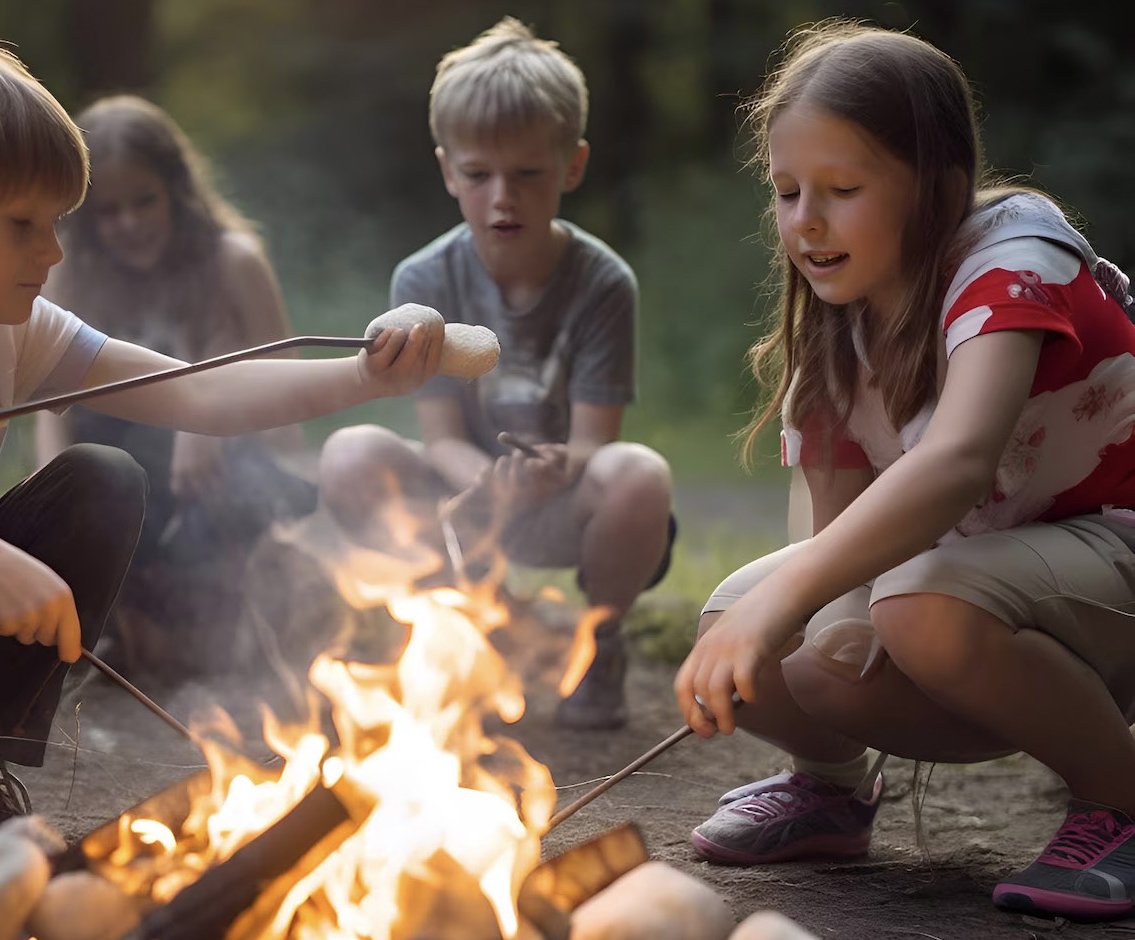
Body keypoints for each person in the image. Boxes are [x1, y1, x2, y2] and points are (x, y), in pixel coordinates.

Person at [0, 26, 439, 914]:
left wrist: (362, 374)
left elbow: (197, 395)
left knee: (102, 478)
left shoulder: (12, 327)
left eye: (55, 224)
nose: (54, 253)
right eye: (23, 225)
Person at [673, 20, 1135, 922]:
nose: (806, 219)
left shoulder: (1012, 264)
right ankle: (832, 789)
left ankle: (1119, 796)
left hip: (1113, 552)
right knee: (744, 623)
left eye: (842, 189)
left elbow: (958, 463)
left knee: (917, 602)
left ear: (939, 188)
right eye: (786, 191)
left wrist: (805, 601)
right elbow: (833, 547)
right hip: (989, 577)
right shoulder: (836, 334)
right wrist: (804, 627)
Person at [317, 17, 675, 732]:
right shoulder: (425, 276)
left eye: (529, 175)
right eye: (479, 176)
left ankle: (598, 642)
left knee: (641, 474)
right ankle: (473, 632)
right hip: (466, 495)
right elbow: (439, 431)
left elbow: (597, 442)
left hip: (562, 498)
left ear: (572, 167)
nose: (502, 198)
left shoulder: (604, 282)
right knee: (350, 451)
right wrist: (486, 480)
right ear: (449, 170)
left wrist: (552, 469)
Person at [35, 95, 316, 678]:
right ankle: (129, 621)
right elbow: (53, 410)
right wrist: (47, 512)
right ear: (85, 216)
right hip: (131, 487)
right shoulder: (71, 275)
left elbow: (289, 401)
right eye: (109, 211)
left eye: (145, 201)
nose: (130, 224)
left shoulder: (232, 262)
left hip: (229, 477)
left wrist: (209, 417)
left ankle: (227, 611)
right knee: (106, 450)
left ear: (176, 192)